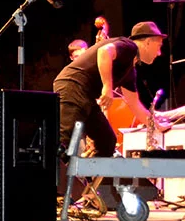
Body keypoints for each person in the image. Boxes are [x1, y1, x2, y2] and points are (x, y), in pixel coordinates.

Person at [54, 21, 168, 158]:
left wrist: (156, 125)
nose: (159, 53)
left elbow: (135, 105)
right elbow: (104, 51)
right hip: (73, 85)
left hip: (86, 95)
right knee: (65, 141)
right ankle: (51, 177)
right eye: (159, 46)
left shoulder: (129, 72)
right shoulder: (129, 46)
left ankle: (93, 178)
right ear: (148, 42)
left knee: (107, 141)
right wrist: (107, 87)